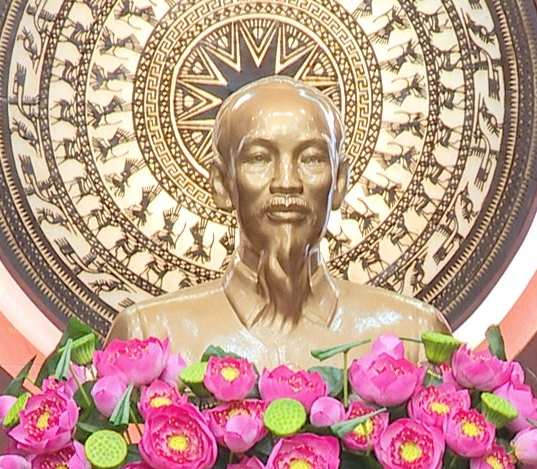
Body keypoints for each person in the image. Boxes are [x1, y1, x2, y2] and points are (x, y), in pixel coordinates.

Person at [106, 76, 448, 369]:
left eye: (311, 158)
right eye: (259, 158)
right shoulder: (149, 337)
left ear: (340, 182)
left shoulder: (415, 337)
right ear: (222, 184)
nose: (287, 182)